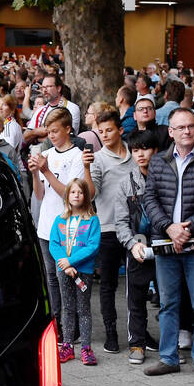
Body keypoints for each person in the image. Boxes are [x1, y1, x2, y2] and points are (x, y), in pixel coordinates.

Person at [141, 107, 194, 381]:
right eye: (181, 127)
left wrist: (186, 230)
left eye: (191, 126)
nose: (187, 131)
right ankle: (168, 358)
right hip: (166, 241)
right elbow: (149, 199)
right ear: (171, 132)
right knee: (167, 303)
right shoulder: (157, 162)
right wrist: (169, 227)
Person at [28, 109, 92, 336]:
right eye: (48, 131)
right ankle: (57, 323)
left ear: (68, 129)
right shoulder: (49, 155)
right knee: (51, 278)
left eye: (55, 131)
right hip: (46, 226)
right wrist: (36, 174)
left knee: (67, 275)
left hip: (68, 229)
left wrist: (46, 170)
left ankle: (72, 326)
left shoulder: (77, 156)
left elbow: (71, 194)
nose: (51, 136)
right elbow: (39, 195)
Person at [112, 131, 162, 364]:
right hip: (138, 249)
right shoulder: (126, 183)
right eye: (135, 150)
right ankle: (137, 344)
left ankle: (170, 345)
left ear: (155, 150)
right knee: (135, 299)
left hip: (165, 247)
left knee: (170, 299)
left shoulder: (166, 177)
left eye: (145, 148)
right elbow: (120, 222)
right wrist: (132, 245)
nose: (140, 154)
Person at [90, 109, 134, 352]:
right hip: (108, 228)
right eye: (101, 131)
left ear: (120, 130)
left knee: (136, 284)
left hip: (135, 229)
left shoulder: (134, 153)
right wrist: (87, 170)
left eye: (109, 130)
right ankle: (110, 333)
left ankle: (138, 332)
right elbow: (92, 193)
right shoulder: (97, 159)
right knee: (108, 284)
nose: (105, 135)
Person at [51, 178, 100, 366]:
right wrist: (66, 265)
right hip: (64, 271)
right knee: (68, 308)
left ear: (86, 196)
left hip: (84, 271)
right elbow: (54, 245)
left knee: (84, 309)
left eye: (80, 192)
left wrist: (71, 261)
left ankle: (86, 348)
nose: (76, 195)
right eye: (73, 192)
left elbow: (93, 247)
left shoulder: (92, 220)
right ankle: (67, 347)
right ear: (67, 196)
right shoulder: (60, 219)